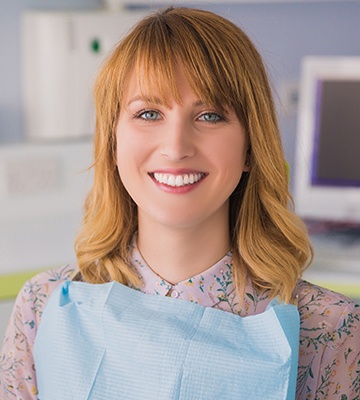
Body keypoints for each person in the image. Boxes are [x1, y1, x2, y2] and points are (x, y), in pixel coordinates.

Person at [1, 6, 359, 400]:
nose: (175, 147)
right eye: (149, 113)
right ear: (113, 143)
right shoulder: (43, 305)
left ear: (249, 148)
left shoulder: (330, 331)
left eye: (209, 115)